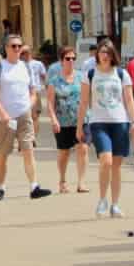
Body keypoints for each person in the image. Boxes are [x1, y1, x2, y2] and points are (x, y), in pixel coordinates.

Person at [0, 35, 51, 201]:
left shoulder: (26, 67)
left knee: (28, 150)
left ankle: (34, 186)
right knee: (3, 153)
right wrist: (3, 115)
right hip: (5, 117)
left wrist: (28, 106)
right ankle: (1, 187)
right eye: (13, 46)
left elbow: (33, 92)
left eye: (19, 46)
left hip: (23, 116)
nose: (17, 49)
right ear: (6, 48)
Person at [79, 40, 133, 218]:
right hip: (98, 122)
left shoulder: (121, 74)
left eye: (108, 52)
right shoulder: (90, 74)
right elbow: (84, 102)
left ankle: (115, 204)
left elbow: (129, 100)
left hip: (120, 122)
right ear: (97, 54)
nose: (104, 55)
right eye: (102, 52)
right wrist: (80, 126)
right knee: (106, 161)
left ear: (113, 55)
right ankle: (102, 200)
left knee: (116, 166)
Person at [44, 47, 88, 193]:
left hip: (80, 120)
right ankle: (62, 180)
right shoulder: (54, 80)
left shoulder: (82, 77)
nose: (71, 61)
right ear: (61, 61)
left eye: (73, 58)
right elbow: (50, 103)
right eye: (67, 58)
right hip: (62, 122)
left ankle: (81, 182)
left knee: (83, 148)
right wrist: (53, 120)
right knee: (64, 152)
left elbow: (87, 98)